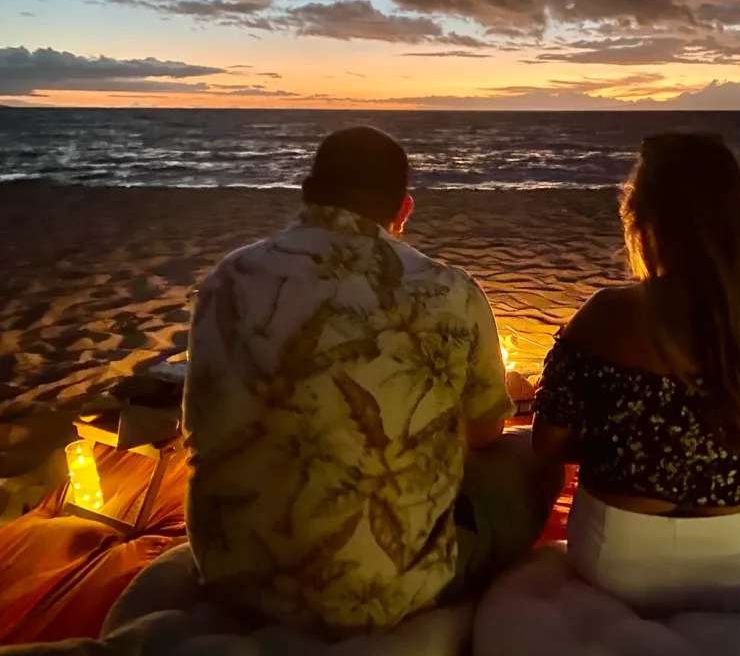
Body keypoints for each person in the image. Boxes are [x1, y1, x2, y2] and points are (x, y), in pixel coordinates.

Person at [184, 126, 563, 635]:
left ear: (308, 192)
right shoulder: (448, 289)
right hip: (378, 594)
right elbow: (484, 436)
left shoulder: (225, 279)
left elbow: (202, 425)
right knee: (530, 459)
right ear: (402, 211)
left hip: (228, 572)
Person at [532, 131, 740, 616]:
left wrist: (631, 442)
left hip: (623, 566)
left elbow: (546, 444)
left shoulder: (608, 313)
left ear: (645, 221)